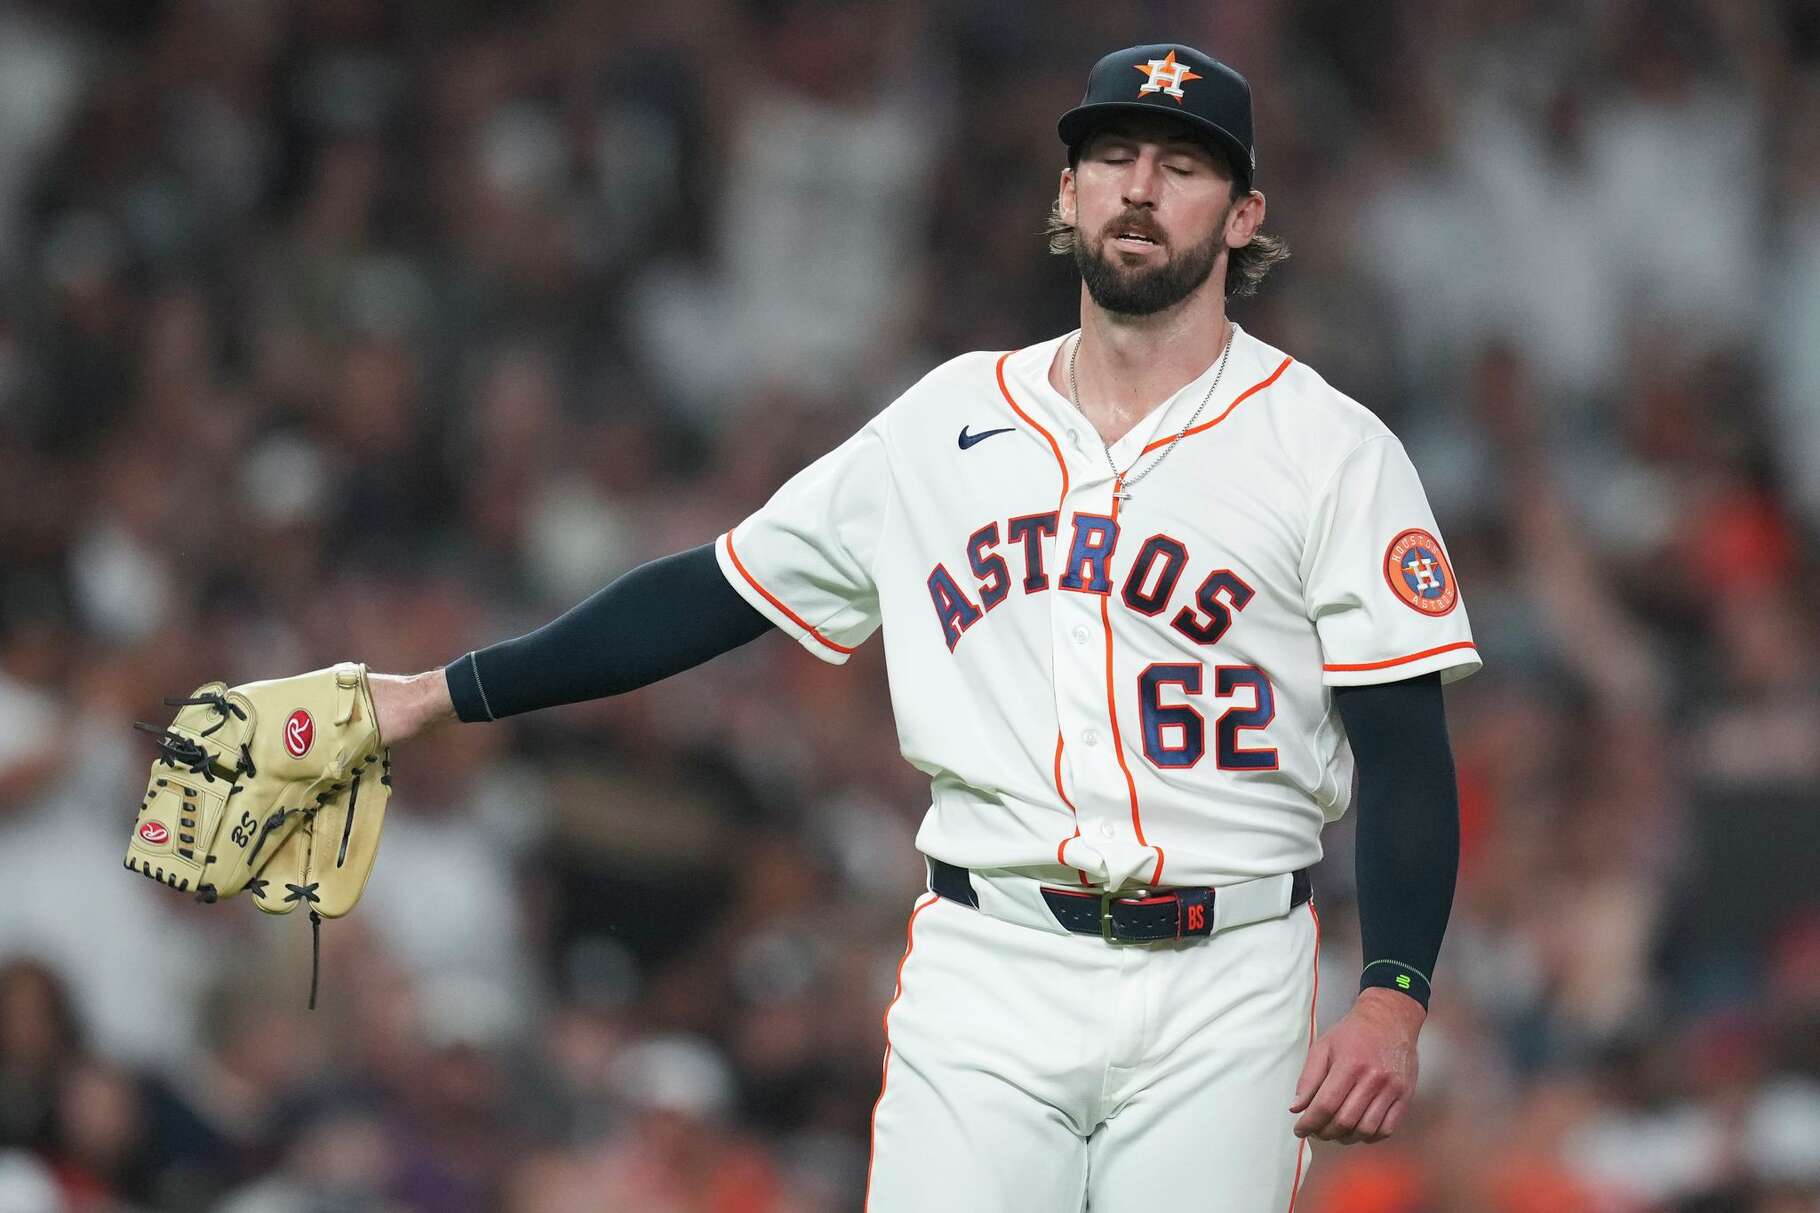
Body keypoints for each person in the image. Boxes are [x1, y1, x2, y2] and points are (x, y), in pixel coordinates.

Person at [366, 43, 1479, 1212]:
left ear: (1243, 214)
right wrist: (435, 694)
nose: (1140, 187)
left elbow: (1405, 746)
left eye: (1182, 165)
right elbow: (711, 592)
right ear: (1066, 194)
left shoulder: (1331, 448)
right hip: (987, 961)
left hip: (1228, 971)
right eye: (1110, 156)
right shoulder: (945, 420)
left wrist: (1392, 994)